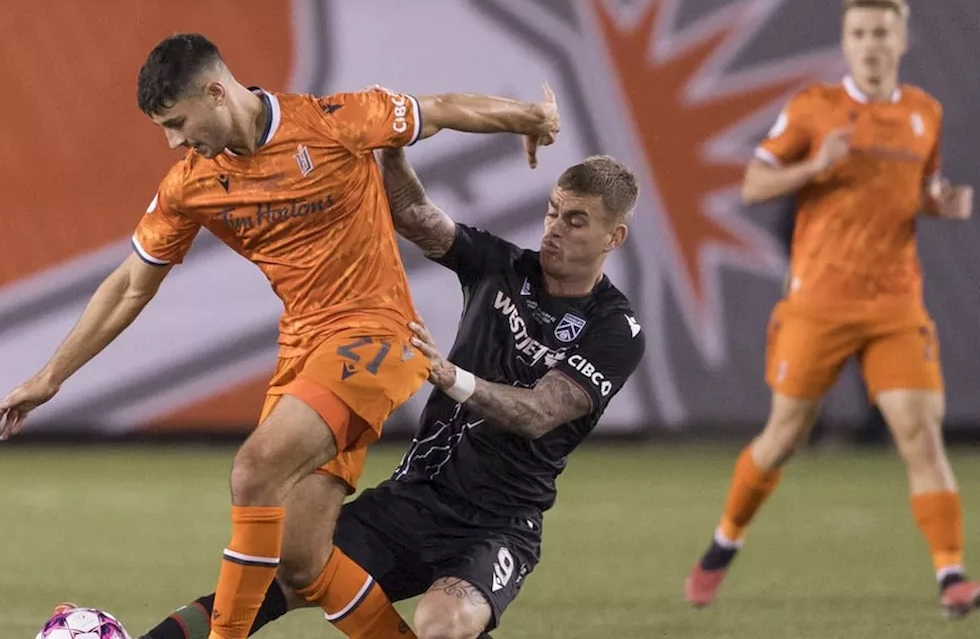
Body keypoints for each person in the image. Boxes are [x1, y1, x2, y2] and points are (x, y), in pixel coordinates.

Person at [0, 32, 561, 639]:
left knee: (254, 470)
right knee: (303, 561)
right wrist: (51, 376)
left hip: (378, 335)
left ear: (216, 91)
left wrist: (531, 117)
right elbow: (132, 284)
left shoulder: (335, 122)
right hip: (305, 352)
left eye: (178, 122)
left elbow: (441, 108)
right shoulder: (190, 184)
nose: (174, 141)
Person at [133, 148, 645, 639]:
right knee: (283, 574)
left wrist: (452, 379)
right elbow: (416, 214)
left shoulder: (615, 330)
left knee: (442, 623)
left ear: (613, 236)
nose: (555, 228)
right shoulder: (502, 266)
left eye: (576, 220)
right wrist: (395, 148)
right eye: (553, 212)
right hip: (413, 499)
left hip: (499, 524)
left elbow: (539, 413)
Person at [683, 0, 978, 618]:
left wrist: (939, 201)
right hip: (818, 302)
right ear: (846, 44)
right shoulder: (814, 108)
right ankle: (723, 542)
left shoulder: (925, 112)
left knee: (921, 436)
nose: (872, 43)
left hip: (897, 303)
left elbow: (913, 190)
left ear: (902, 41)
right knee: (784, 436)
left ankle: (952, 577)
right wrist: (815, 166)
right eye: (861, 33)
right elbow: (756, 182)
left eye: (882, 32)